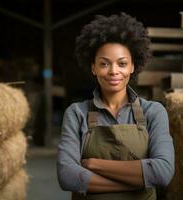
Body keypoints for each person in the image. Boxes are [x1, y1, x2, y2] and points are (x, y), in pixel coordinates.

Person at [57, 13, 174, 200]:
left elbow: (162, 172)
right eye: (104, 64)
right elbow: (67, 176)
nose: (113, 71)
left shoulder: (153, 111)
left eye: (122, 63)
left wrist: (93, 164)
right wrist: (136, 183)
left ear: (133, 66)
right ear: (93, 67)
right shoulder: (77, 113)